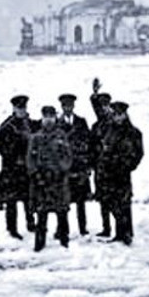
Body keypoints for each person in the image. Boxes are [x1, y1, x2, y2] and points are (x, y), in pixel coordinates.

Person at [27, 105, 73, 251]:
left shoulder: (61, 136)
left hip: (58, 181)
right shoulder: (35, 137)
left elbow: (68, 157)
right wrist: (36, 174)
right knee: (41, 215)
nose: (48, 120)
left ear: (55, 118)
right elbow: (30, 159)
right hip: (42, 182)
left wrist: (61, 170)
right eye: (46, 117)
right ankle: (39, 245)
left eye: (51, 117)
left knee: (62, 213)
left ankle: (64, 243)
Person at [99, 101, 143, 245]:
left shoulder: (133, 133)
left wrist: (128, 165)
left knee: (124, 202)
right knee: (112, 202)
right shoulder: (109, 131)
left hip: (123, 173)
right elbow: (104, 150)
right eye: (115, 115)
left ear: (125, 115)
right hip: (109, 173)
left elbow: (138, 153)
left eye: (120, 115)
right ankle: (120, 233)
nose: (117, 118)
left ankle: (126, 233)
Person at [0, 95, 37, 239]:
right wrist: (13, 156)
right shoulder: (7, 126)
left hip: (26, 168)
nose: (22, 110)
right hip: (11, 169)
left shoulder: (30, 124)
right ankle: (12, 228)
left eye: (24, 107)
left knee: (28, 198)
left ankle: (30, 223)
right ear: (14, 108)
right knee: (11, 201)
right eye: (19, 108)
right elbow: (0, 147)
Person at [58, 93, 93, 236]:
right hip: (64, 168)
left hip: (79, 166)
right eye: (65, 105)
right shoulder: (57, 123)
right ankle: (62, 229)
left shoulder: (81, 122)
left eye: (70, 105)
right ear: (62, 107)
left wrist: (88, 164)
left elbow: (89, 143)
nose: (68, 108)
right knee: (62, 201)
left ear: (73, 106)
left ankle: (83, 228)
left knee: (80, 201)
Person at [89, 81, 115, 236]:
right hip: (99, 167)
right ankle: (106, 228)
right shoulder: (96, 126)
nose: (103, 108)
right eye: (101, 105)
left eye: (106, 105)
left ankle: (119, 228)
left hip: (111, 167)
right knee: (102, 200)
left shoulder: (114, 124)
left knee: (113, 200)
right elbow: (92, 147)